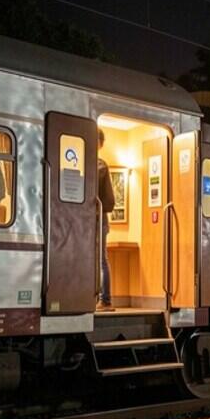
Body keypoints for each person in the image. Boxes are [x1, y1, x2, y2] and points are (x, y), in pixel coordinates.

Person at [97, 130, 115, 312]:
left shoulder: (99, 166)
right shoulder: (100, 165)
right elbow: (109, 200)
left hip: (95, 218)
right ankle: (103, 299)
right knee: (100, 259)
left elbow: (109, 201)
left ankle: (105, 299)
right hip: (98, 217)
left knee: (100, 259)